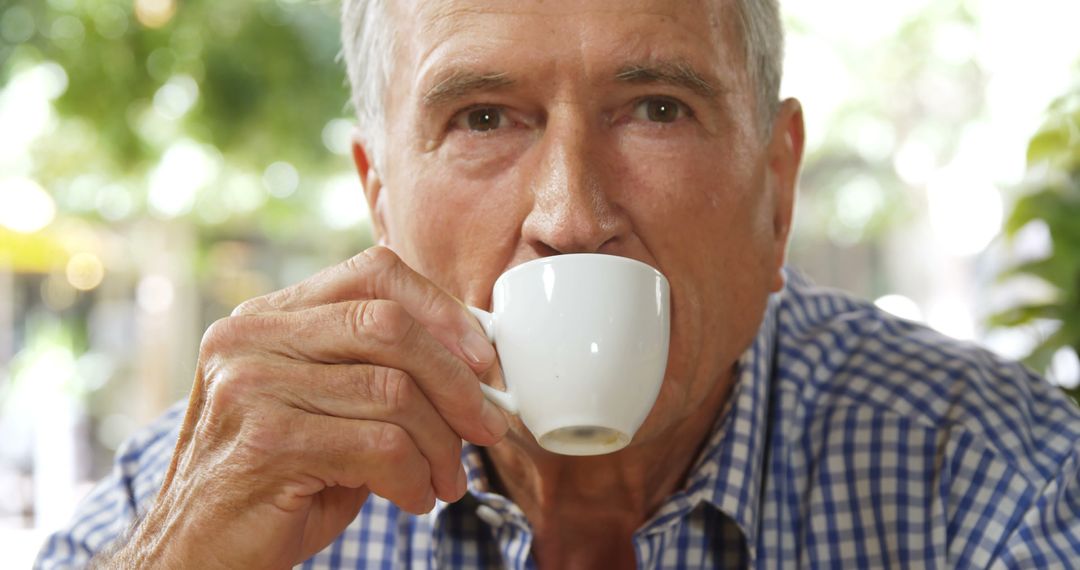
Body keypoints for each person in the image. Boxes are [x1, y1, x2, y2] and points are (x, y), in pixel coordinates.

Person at [35, 0, 1080, 568]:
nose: (571, 216)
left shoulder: (1000, 484)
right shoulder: (232, 479)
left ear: (775, 190)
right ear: (382, 201)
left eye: (657, 107)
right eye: (484, 117)